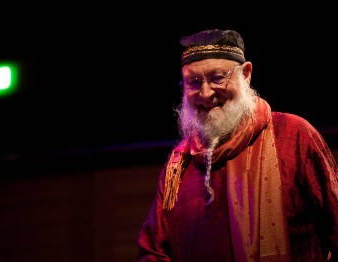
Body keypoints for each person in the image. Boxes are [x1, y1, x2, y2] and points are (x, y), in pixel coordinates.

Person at [136, 28, 338, 261]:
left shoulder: (293, 135)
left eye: (218, 77)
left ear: (246, 74)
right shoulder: (178, 167)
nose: (205, 92)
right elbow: (153, 251)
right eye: (193, 82)